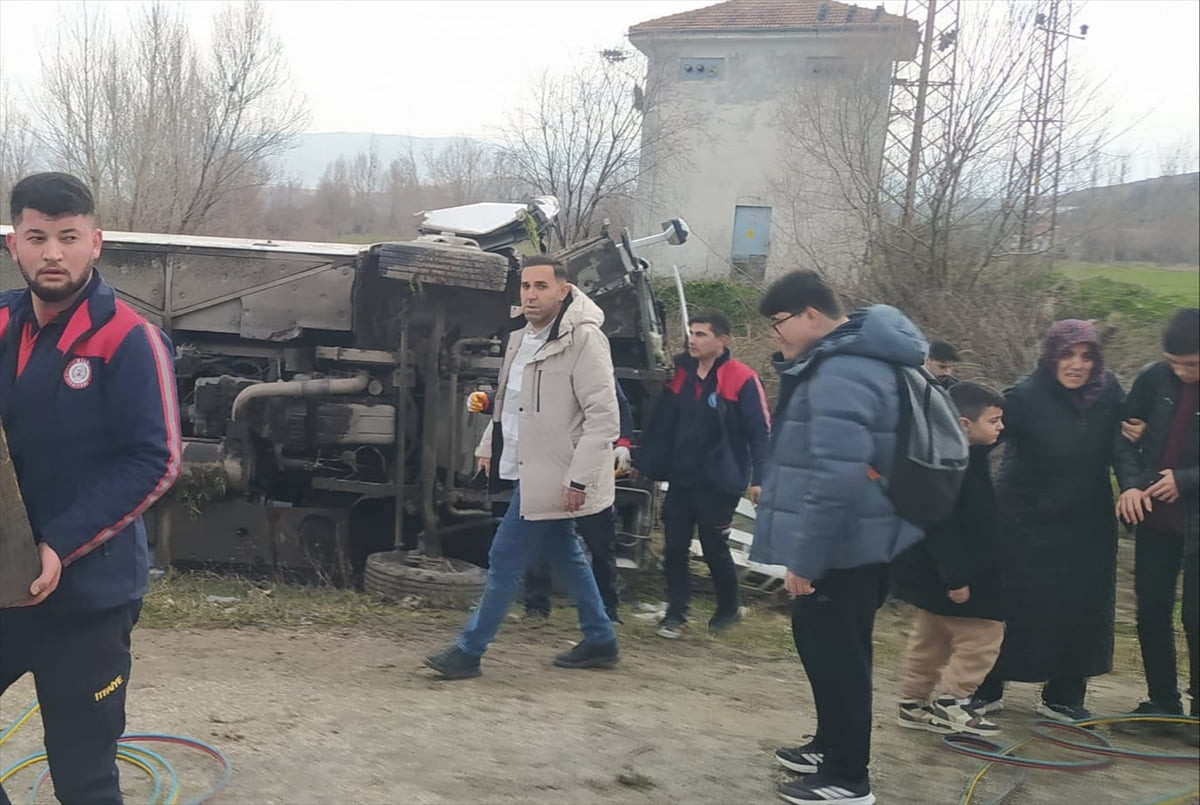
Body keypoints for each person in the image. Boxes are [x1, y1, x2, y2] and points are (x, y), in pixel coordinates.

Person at [0, 172, 181, 804]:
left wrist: (60, 543)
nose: (53, 253)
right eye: (37, 237)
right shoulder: (1, 321)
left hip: (87, 599)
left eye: (68, 237)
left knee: (84, 778)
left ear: (95, 243)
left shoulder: (129, 338)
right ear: (13, 245)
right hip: (2, 585)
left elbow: (156, 460)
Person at [750, 270, 927, 805]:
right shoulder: (851, 361)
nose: (775, 334)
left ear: (810, 314)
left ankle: (849, 777)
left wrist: (806, 559)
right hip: (861, 536)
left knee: (838, 655)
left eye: (778, 322)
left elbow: (835, 476)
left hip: (846, 544)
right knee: (827, 643)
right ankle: (829, 747)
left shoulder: (841, 372)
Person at [424, 255, 620, 679]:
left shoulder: (585, 339)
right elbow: (509, 403)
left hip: (557, 472)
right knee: (565, 552)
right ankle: (601, 638)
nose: (531, 295)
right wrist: (488, 444)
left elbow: (603, 418)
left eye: (541, 286)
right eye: (526, 286)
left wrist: (579, 479)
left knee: (504, 556)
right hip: (528, 465)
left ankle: (469, 650)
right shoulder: (521, 337)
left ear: (563, 291)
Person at [972, 320, 1138, 721]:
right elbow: (983, 438)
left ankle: (1064, 695)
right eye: (1068, 355)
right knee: (1012, 603)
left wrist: (1132, 483)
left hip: (1087, 520)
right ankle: (985, 687)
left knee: (1082, 606)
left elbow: (1123, 445)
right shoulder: (1025, 396)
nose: (1077, 365)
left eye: (1086, 356)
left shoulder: (1109, 391)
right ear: (1051, 356)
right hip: (1024, 518)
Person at [635, 309, 770, 639]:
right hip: (682, 476)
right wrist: (646, 461)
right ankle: (677, 613)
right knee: (674, 547)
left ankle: (728, 608)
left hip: (720, 479)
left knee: (714, 547)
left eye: (700, 334)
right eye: (691, 333)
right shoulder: (680, 375)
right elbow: (661, 423)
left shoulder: (741, 377)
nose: (692, 340)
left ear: (722, 340)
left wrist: (760, 478)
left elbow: (760, 431)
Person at [892, 382, 1007, 737]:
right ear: (964, 425)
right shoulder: (953, 469)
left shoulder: (953, 453)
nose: (1001, 427)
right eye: (994, 421)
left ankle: (912, 701)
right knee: (984, 636)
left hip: (929, 573)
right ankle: (953, 700)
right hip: (956, 573)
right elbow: (942, 526)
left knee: (931, 637)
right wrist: (955, 578)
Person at [471, 375, 633, 623]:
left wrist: (623, 442)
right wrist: (488, 430)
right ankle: (536, 605)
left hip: (586, 467)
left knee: (598, 543)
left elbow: (615, 406)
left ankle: (607, 610)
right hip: (543, 465)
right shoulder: (533, 364)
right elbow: (513, 403)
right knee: (538, 538)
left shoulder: (590, 362)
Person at [1112, 308, 1199, 744]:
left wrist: (1185, 480)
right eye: (1174, 363)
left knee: (1196, 617)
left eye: (1192, 364)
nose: (1182, 372)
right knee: (1151, 612)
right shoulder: (1152, 379)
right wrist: (1130, 484)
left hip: (1194, 519)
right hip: (1153, 517)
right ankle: (1162, 703)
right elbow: (1123, 436)